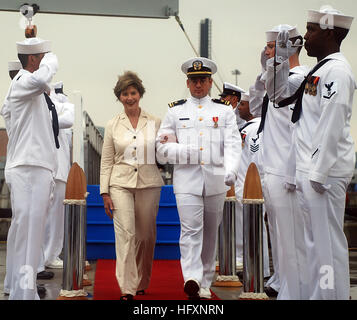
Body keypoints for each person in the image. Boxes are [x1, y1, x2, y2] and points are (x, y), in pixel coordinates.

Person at [276, 6, 356, 299]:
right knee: (313, 245)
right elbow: (289, 109)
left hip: (324, 172)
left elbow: (330, 124)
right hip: (309, 171)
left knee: (326, 247)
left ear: (331, 33)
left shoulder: (337, 71)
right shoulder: (318, 70)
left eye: (312, 30)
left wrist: (318, 172)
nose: (306, 36)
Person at [156, 57, 242, 300]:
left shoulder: (224, 111)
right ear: (187, 82)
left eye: (202, 80)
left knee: (210, 234)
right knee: (190, 231)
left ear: (210, 81)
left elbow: (234, 144)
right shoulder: (175, 111)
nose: (198, 85)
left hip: (216, 182)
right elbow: (161, 148)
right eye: (194, 80)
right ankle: (191, 278)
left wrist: (232, 170)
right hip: (187, 181)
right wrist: (185, 152)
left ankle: (205, 281)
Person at [252, 24, 309, 300]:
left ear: (290, 47)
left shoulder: (300, 78)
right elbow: (255, 106)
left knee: (292, 239)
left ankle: (294, 290)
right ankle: (285, 283)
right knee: (280, 237)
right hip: (270, 167)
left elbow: (278, 96)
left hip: (286, 169)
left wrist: (274, 68)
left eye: (273, 47)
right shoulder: (280, 78)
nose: (267, 52)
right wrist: (267, 68)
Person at [3, 37, 59, 300]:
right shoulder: (24, 80)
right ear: (35, 59)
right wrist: (52, 61)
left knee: (25, 233)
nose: (47, 59)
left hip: (34, 167)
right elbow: (41, 79)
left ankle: (17, 289)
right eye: (43, 56)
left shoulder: (28, 88)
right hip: (29, 168)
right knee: (29, 237)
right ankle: (24, 294)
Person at [100, 71, 164, 300]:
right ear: (119, 97)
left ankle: (140, 281)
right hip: (120, 184)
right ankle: (127, 288)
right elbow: (106, 160)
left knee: (145, 236)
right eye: (125, 93)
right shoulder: (112, 125)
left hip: (149, 183)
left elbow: (162, 155)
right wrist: (105, 192)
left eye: (133, 92)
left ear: (140, 94)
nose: (129, 97)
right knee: (126, 234)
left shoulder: (155, 122)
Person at [234, 92, 270, 278]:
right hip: (242, 188)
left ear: (252, 107)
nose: (238, 108)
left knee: (256, 227)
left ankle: (260, 270)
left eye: (242, 105)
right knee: (245, 228)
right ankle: (249, 265)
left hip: (252, 188)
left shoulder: (255, 128)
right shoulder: (247, 128)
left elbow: (257, 163)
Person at [40, 81, 74, 270]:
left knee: (56, 217)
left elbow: (69, 119)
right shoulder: (42, 107)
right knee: (43, 215)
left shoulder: (65, 107)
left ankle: (51, 254)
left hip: (60, 169)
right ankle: (44, 255)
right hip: (45, 166)